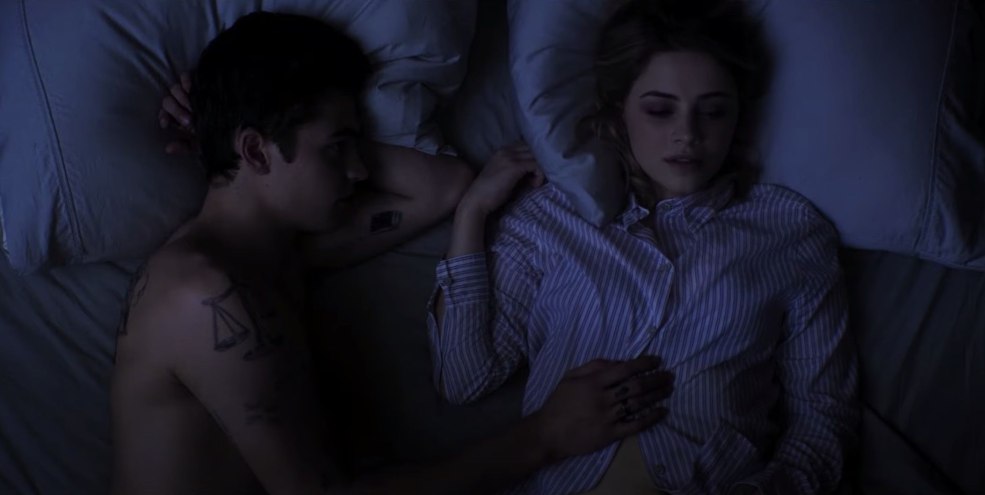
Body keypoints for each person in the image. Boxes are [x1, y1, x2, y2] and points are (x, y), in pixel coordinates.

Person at [112, 11, 673, 495]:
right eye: (337, 149)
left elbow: (443, 186)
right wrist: (544, 437)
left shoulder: (276, 259)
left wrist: (229, 127)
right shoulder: (205, 294)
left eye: (356, 145)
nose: (358, 170)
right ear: (257, 152)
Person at [429, 1, 859, 494]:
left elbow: (825, 419)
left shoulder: (790, 232)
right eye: (659, 110)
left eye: (713, 112)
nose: (687, 135)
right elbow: (463, 379)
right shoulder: (550, 218)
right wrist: (471, 213)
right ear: (620, 112)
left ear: (739, 116)